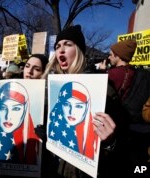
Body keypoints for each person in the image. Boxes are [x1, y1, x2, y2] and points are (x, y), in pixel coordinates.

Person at [41, 25, 127, 178]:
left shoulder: (103, 89)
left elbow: (121, 145)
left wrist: (110, 142)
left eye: (68, 44)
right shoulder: (53, 88)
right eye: (58, 46)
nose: (60, 49)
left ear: (79, 51)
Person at [0, 81, 40, 165]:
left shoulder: (31, 131)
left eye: (16, 109)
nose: (8, 116)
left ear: (25, 110)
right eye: (3, 108)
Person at [48, 81, 98, 160]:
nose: (71, 112)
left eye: (78, 106)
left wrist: (109, 143)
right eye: (66, 104)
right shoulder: (54, 124)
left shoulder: (94, 132)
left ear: (87, 108)